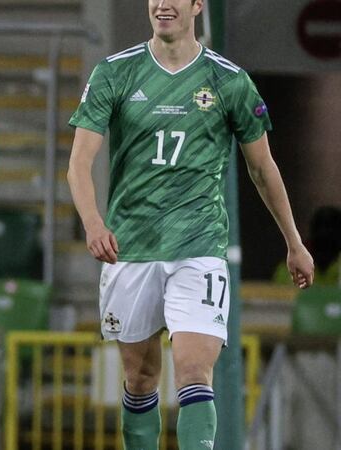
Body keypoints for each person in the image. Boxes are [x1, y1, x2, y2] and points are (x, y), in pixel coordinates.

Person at [67, 0, 315, 448]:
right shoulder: (114, 73)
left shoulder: (229, 81)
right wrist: (92, 223)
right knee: (140, 378)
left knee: (194, 372)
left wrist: (294, 242)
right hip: (132, 247)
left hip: (198, 247)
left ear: (198, 4)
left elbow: (262, 169)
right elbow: (79, 163)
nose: (162, 5)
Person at [274, 205, 341, 286]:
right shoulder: (288, 268)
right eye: (320, 230)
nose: (324, 235)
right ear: (312, 233)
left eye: (331, 231)